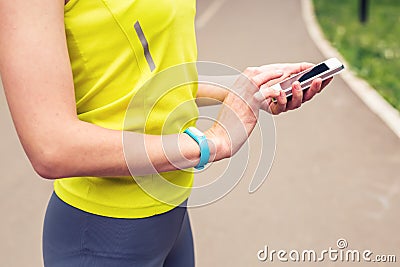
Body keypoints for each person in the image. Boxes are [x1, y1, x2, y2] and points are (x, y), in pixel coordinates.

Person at [0, 0, 331, 266]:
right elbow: (51, 147)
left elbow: (150, 83)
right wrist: (211, 143)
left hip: (172, 219)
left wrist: (247, 91)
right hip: (100, 232)